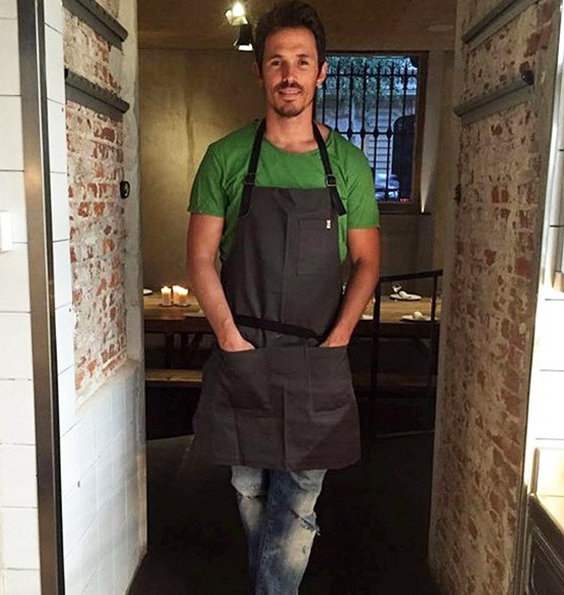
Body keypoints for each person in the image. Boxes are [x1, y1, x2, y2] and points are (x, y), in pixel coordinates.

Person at [186, 2, 380, 592]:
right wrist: (229, 339)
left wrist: (339, 338)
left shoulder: (347, 165)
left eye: (301, 61)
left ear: (321, 72)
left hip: (316, 358)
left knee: (296, 505)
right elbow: (200, 258)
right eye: (277, 62)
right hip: (244, 353)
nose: (289, 74)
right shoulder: (225, 158)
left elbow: (367, 262)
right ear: (260, 72)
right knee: (250, 492)